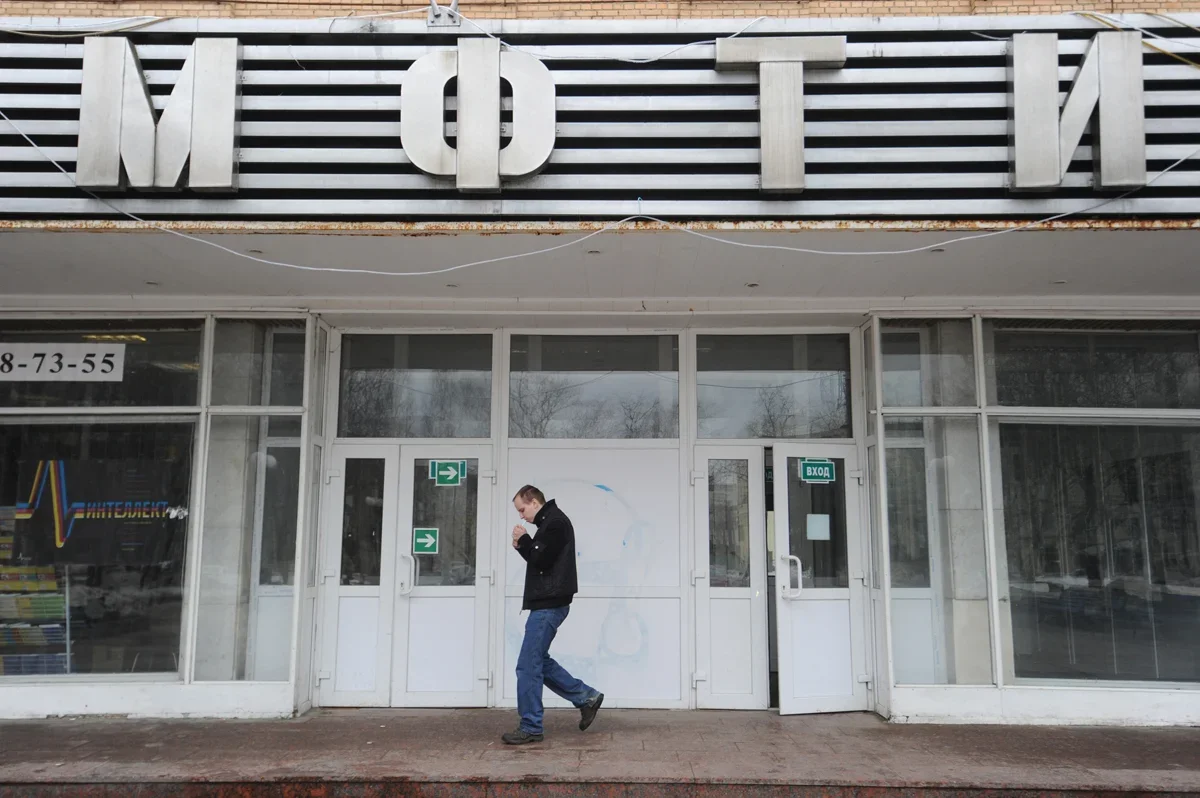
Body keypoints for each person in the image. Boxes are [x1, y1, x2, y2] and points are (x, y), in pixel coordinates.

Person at [502, 485, 603, 745]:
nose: (521, 515)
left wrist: (524, 539)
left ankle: (531, 726)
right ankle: (586, 697)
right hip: (546, 603)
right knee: (538, 661)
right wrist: (522, 546)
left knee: (527, 666)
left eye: (522, 509)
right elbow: (540, 559)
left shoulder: (556, 523)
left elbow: (543, 560)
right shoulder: (550, 523)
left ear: (534, 502)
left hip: (549, 605)